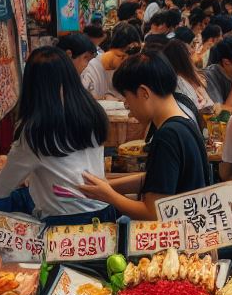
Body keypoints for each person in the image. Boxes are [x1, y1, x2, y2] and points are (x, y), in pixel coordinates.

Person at [0, 47, 115, 224]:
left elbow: (0, 189)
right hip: (105, 212)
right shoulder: (92, 112)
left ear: (31, 85)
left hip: (64, 223)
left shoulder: (36, 131)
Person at [78, 52, 209, 220]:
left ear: (144, 93)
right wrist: (108, 186)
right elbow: (157, 179)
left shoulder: (168, 135)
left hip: (176, 238)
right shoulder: (184, 120)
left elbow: (153, 212)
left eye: (126, 97)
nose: (126, 105)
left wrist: (109, 196)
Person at [82, 23, 141, 99]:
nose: (124, 62)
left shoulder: (126, 71)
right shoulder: (90, 68)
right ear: (111, 48)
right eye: (120, 56)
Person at [163, 39, 213, 112]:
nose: (194, 52)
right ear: (187, 57)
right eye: (191, 53)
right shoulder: (179, 81)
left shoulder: (191, 77)